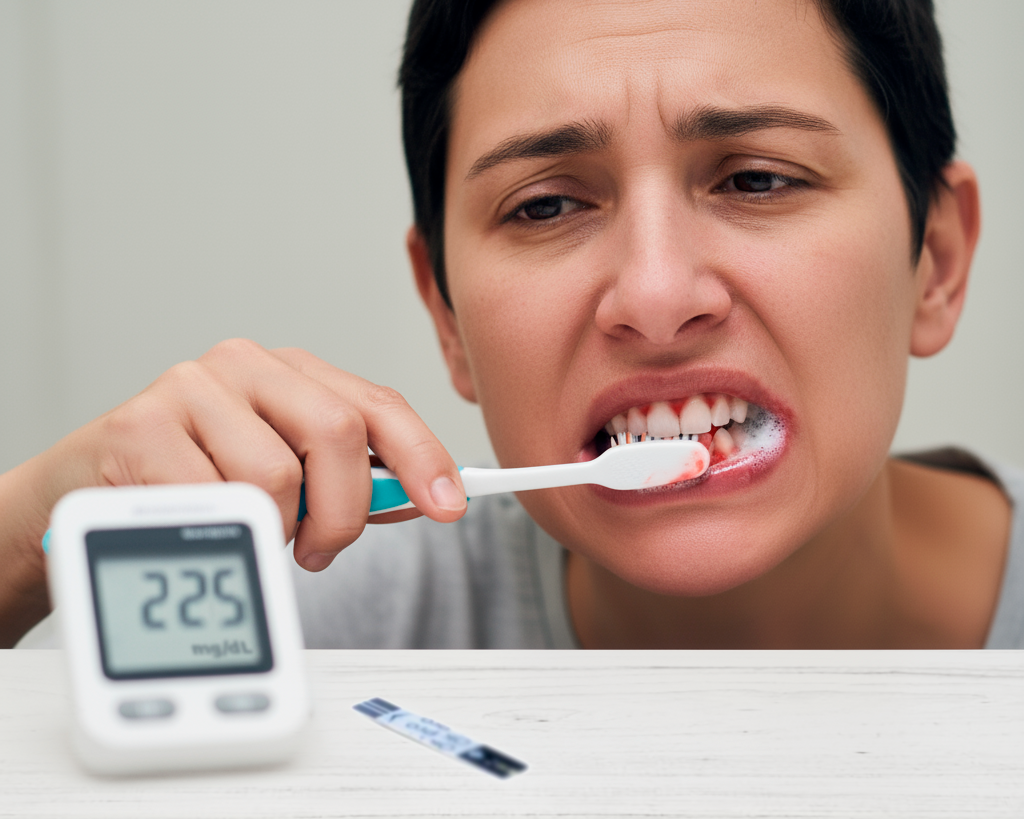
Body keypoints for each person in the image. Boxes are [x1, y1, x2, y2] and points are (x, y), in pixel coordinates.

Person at [5, 0, 1021, 649]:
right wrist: (30, 533)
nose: (657, 297)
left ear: (934, 259)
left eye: (757, 179)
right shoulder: (306, 622)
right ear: (445, 312)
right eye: (545, 205)